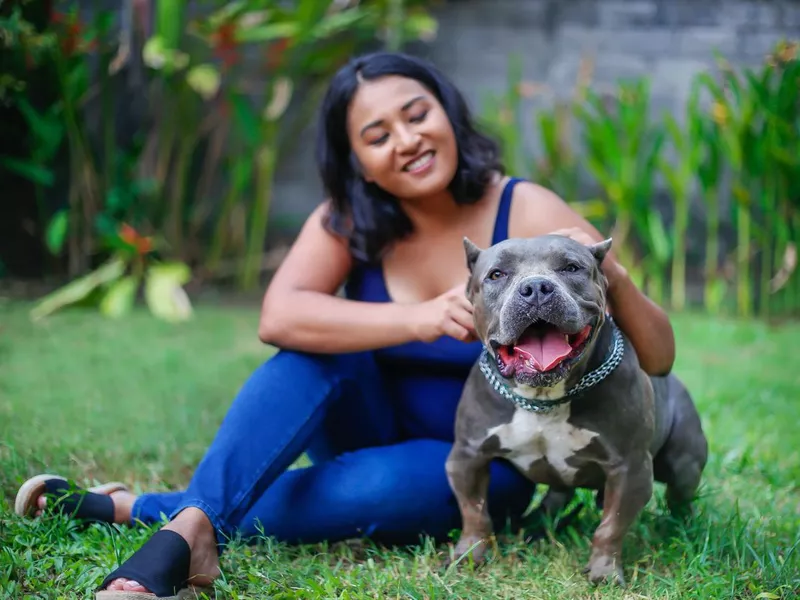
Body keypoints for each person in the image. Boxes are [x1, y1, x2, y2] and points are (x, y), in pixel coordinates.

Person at [15, 51, 676, 598]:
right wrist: (417, 318)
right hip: (367, 420)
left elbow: (659, 354)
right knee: (308, 355)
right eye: (377, 135)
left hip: (492, 453)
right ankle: (183, 527)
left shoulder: (523, 206)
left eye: (417, 115)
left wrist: (614, 276)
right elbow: (280, 316)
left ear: (448, 113)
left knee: (380, 491)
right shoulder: (351, 219)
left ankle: (141, 512)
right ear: (358, 160)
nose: (407, 140)